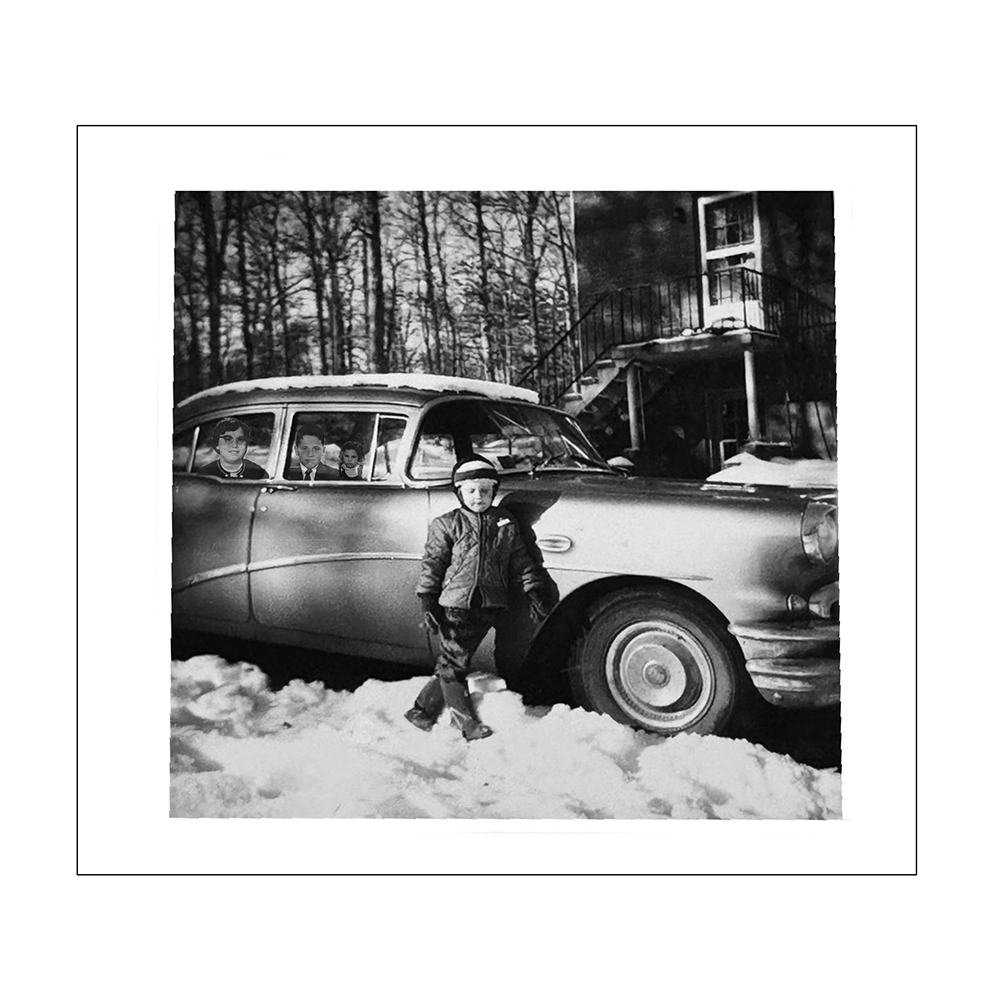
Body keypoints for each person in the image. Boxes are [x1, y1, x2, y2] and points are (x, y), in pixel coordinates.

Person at [404, 455, 553, 740]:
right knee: (455, 664)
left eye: (485, 490)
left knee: (453, 662)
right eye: (471, 490)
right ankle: (466, 725)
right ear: (459, 492)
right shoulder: (447, 524)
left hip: (489, 605)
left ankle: (421, 711)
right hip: (456, 606)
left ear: (493, 492)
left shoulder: (505, 522)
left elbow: (521, 561)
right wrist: (427, 601)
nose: (478, 496)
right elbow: (432, 564)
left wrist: (533, 590)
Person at [195, 418, 269, 479]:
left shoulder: (258, 473)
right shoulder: (206, 474)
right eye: (228, 439)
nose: (235, 445)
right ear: (217, 444)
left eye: (240, 440)